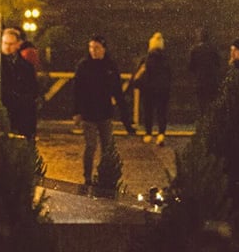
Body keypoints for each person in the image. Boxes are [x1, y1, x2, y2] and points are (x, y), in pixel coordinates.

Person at [72, 35, 125, 185]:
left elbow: (117, 90)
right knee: (90, 145)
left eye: (96, 48)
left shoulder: (110, 66)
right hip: (88, 113)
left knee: (107, 146)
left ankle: (105, 175)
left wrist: (124, 115)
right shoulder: (83, 66)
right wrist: (77, 111)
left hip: (104, 112)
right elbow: (77, 89)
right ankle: (87, 176)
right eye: (91, 48)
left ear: (103, 49)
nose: (93, 51)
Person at [0, 27, 38, 138]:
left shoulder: (26, 66)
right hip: (0, 109)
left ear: (18, 44)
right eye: (5, 43)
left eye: (11, 44)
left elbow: (32, 89)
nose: (7, 47)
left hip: (21, 113)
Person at [132, 32, 171, 145]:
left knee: (148, 112)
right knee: (161, 113)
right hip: (162, 91)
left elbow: (139, 74)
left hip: (148, 91)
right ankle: (161, 134)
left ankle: (148, 133)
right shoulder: (166, 60)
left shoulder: (146, 59)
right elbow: (170, 75)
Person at [189, 27, 224, 118]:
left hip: (200, 80)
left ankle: (203, 123)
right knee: (212, 103)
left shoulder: (195, 50)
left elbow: (191, 67)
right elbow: (218, 64)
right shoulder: (213, 49)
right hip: (213, 80)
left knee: (202, 105)